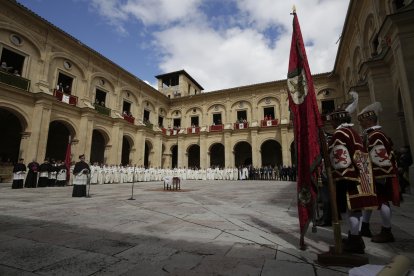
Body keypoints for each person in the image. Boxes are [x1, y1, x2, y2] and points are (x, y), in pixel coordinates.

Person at [328, 91, 378, 254]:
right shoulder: (353, 132)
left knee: (352, 208)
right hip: (361, 174)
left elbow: (339, 157)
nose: (332, 123)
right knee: (356, 208)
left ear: (338, 120)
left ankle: (355, 240)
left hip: (349, 176)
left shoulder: (340, 134)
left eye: (333, 120)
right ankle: (354, 237)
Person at [358, 102, 400, 243]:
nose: (361, 124)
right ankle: (364, 226)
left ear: (370, 120)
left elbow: (379, 157)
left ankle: (387, 231)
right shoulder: (373, 135)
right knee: (369, 200)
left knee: (382, 201)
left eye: (363, 121)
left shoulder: (376, 135)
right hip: (373, 173)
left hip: (379, 174)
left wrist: (377, 176)